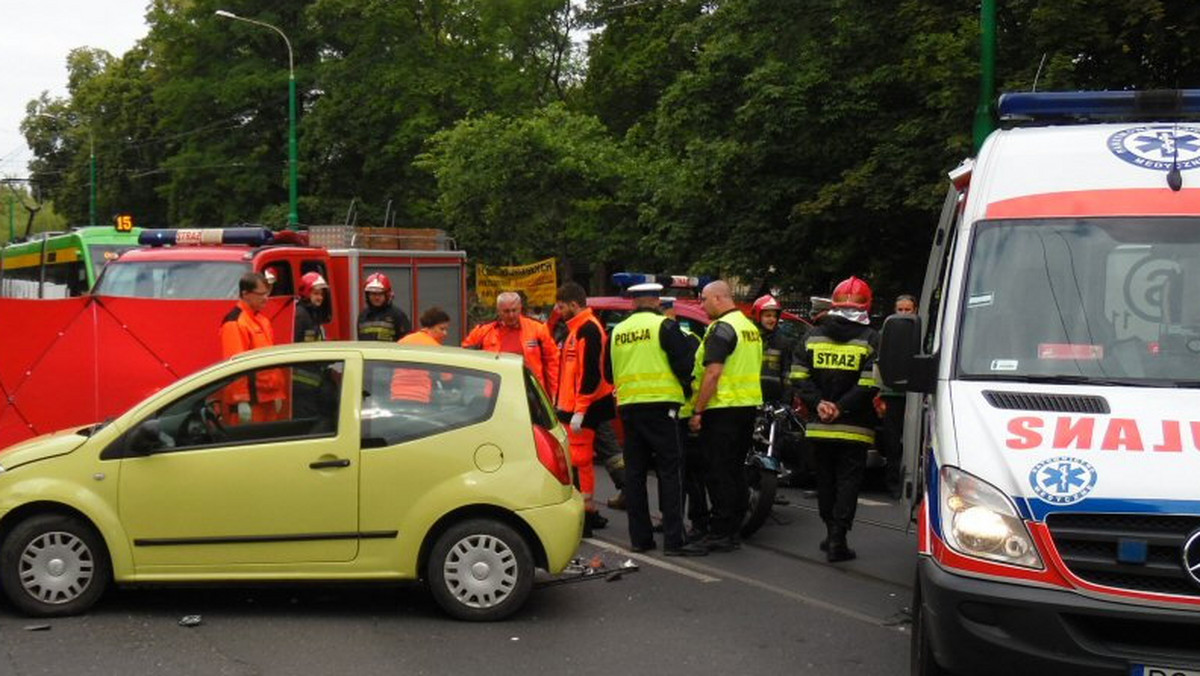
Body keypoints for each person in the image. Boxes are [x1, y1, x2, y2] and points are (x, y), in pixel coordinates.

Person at [609, 283, 707, 557]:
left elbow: (607, 371)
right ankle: (674, 541)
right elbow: (686, 365)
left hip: (629, 408)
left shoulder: (618, 331)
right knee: (670, 472)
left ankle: (640, 539)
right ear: (654, 300)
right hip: (663, 408)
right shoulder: (664, 327)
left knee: (635, 474)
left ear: (632, 302)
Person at [790, 276, 880, 562]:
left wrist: (820, 405)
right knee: (848, 481)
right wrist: (841, 407)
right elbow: (870, 384)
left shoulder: (812, 335)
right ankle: (838, 538)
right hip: (854, 426)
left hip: (819, 424)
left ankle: (830, 533)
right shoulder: (871, 338)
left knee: (825, 480)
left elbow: (798, 376)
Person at [687, 280, 763, 552]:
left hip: (722, 408)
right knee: (734, 470)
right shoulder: (749, 328)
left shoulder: (722, 329)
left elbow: (713, 373)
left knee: (718, 471)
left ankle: (720, 532)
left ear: (719, 298)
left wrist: (698, 410)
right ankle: (732, 529)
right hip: (746, 407)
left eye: (704, 300)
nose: (701, 305)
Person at [553, 282, 616, 536]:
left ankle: (586, 515)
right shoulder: (576, 329)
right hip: (571, 407)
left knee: (580, 461)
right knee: (577, 461)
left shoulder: (587, 330)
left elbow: (591, 374)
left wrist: (580, 409)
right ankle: (585, 512)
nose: (558, 310)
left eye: (561, 306)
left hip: (582, 408)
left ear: (574, 305)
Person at [462, 291, 559, 394]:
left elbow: (552, 360)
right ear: (498, 311)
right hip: (497, 390)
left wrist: (553, 393)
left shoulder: (537, 329)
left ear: (520, 308)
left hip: (530, 390)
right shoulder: (485, 331)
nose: (511, 315)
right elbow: (464, 353)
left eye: (514, 310)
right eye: (506, 311)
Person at [219, 272, 285, 424]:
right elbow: (235, 365)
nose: (265, 298)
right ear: (245, 294)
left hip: (266, 398)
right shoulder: (235, 322)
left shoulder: (261, 321)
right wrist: (240, 400)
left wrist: (276, 394)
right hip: (251, 402)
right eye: (261, 294)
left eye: (267, 293)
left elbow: (270, 363)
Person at [880, 294, 917, 498]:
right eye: (900, 310)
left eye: (907, 310)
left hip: (914, 394)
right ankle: (893, 481)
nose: (903, 314)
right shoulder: (887, 331)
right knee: (892, 440)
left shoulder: (920, 332)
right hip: (892, 393)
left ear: (915, 310)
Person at [391, 306, 451, 402]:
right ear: (430, 327)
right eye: (442, 329)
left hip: (397, 395)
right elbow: (446, 377)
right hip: (421, 397)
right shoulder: (435, 348)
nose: (445, 333)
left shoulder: (404, 341)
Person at [357, 272, 411, 342]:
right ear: (367, 295)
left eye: (380, 294)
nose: (376, 297)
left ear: (387, 295)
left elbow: (407, 342)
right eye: (373, 294)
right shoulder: (363, 316)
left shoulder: (397, 315)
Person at [294, 272, 331, 343]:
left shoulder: (314, 312)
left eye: (321, 294)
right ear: (306, 293)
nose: (320, 297)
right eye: (316, 293)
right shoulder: (300, 315)